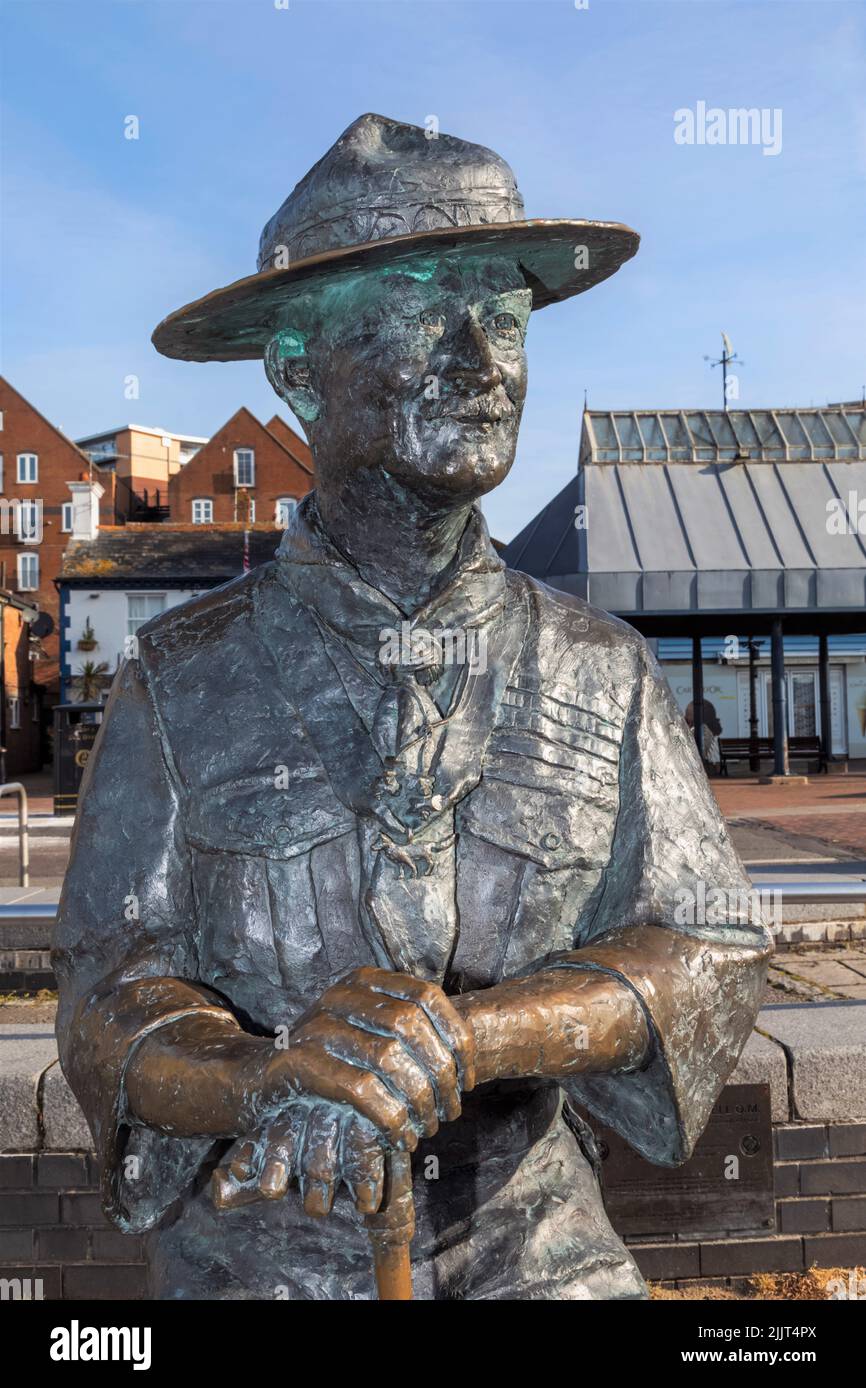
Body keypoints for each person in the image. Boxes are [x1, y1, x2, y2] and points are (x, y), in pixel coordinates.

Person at [54, 114, 770, 1300]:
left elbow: (704, 949)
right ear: (294, 367)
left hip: (539, 1255)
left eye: (502, 314)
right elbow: (106, 999)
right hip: (261, 1266)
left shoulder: (603, 671)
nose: (479, 360)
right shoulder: (180, 682)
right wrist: (262, 1075)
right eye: (422, 308)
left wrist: (478, 1036)